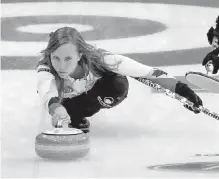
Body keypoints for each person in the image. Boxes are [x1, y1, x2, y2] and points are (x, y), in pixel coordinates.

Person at [36, 27, 203, 133]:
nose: (60, 65)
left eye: (68, 59)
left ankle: (79, 113)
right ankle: (74, 114)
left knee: (117, 85)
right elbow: (46, 91)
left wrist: (184, 92)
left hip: (97, 94)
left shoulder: (102, 60)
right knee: (64, 107)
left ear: (80, 55)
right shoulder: (46, 67)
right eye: (55, 57)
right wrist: (56, 108)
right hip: (67, 101)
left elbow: (149, 73)